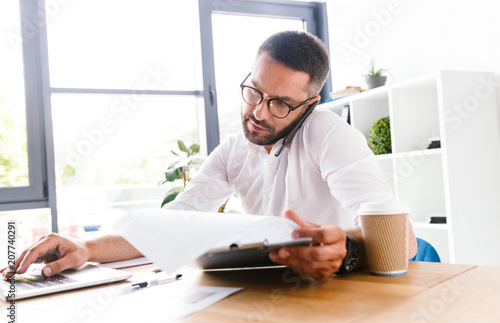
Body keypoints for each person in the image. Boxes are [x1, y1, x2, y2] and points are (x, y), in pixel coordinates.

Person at [2, 31, 417, 282]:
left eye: (279, 103)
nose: (257, 112)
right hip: (290, 283)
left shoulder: (328, 134)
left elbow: (405, 239)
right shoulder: (234, 150)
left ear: (309, 104)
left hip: (363, 276)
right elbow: (171, 224)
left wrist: (346, 248)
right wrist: (86, 247)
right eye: (254, 91)